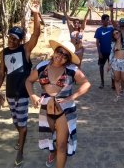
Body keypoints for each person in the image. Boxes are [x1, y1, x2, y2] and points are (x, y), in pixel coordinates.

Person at [25, 40, 91, 168]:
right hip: (46, 110)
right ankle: (52, 152)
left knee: (62, 145)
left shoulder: (72, 70)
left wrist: (72, 96)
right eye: (59, 52)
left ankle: (57, 156)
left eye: (65, 55)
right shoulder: (42, 66)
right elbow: (29, 81)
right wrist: (32, 95)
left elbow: (86, 83)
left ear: (68, 59)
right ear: (55, 51)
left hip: (64, 112)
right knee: (50, 138)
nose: (60, 56)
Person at [0, 0, 41, 167]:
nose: (11, 41)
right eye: (10, 38)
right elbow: (1, 73)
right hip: (10, 94)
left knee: (22, 124)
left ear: (20, 40)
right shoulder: (3, 53)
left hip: (22, 94)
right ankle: (20, 138)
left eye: (15, 39)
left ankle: (20, 150)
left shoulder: (25, 50)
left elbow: (36, 34)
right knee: (16, 122)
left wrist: (35, 13)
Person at [107, 27, 124, 102]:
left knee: (123, 80)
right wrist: (109, 64)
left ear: (120, 33)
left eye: (117, 33)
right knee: (116, 79)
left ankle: (122, 89)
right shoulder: (113, 44)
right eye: (114, 34)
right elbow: (111, 54)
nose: (115, 35)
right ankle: (117, 95)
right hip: (115, 62)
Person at [94, 11, 114, 89]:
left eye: (108, 19)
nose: (108, 21)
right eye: (106, 20)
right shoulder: (99, 30)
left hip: (111, 52)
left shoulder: (111, 29)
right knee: (101, 67)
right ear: (102, 21)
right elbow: (97, 42)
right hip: (103, 52)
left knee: (112, 67)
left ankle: (113, 83)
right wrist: (99, 53)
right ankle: (102, 83)